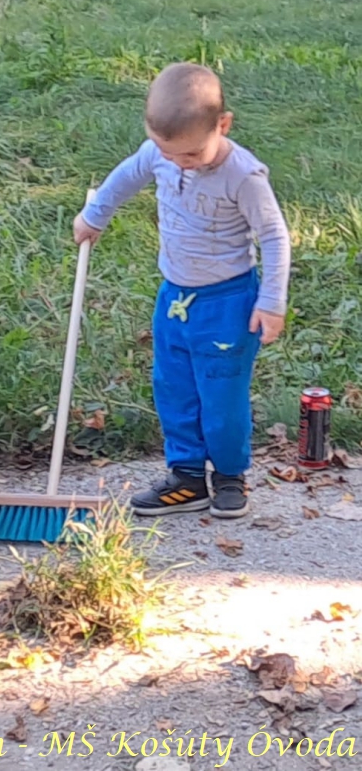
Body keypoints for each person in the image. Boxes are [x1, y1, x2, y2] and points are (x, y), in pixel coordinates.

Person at [74, 63, 291, 519]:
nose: (177, 163)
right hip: (174, 297)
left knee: (221, 394)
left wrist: (271, 301)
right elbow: (125, 176)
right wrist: (95, 215)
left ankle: (230, 477)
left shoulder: (244, 176)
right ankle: (187, 477)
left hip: (227, 302)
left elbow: (273, 236)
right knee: (173, 388)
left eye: (190, 155)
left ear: (223, 125)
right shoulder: (161, 153)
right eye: (166, 153)